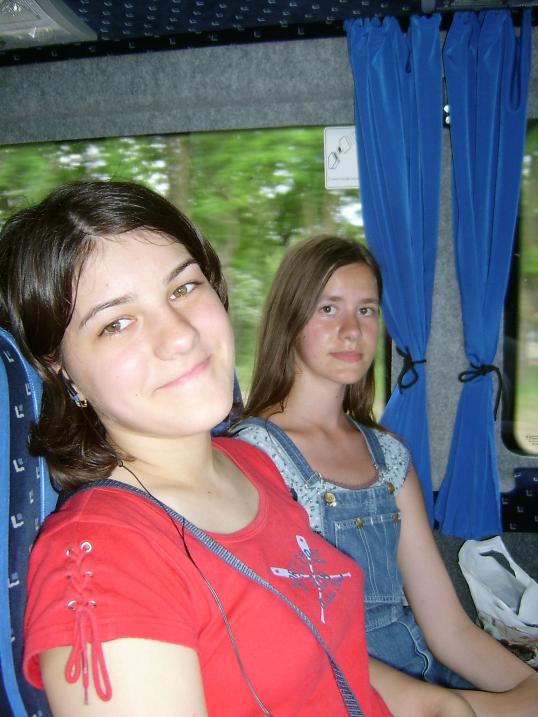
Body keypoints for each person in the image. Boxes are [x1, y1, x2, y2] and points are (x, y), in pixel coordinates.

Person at [0, 182, 477, 717]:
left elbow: (326, 658)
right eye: (117, 323)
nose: (180, 335)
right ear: (62, 371)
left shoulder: (250, 464)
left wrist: (445, 707)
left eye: (184, 288)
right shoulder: (104, 561)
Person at [231, 234, 538, 717]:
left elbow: (448, 628)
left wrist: (527, 684)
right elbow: (295, 646)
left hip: (420, 672)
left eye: (367, 310)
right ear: (290, 319)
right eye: (328, 309)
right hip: (338, 693)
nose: (352, 330)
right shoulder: (253, 456)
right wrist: (452, 706)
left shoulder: (389, 456)